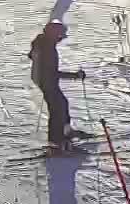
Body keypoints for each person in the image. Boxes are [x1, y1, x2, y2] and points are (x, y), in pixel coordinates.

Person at [27, 20, 87, 150]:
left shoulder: (43, 43)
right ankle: (56, 141)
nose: (60, 38)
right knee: (57, 109)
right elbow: (52, 73)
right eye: (59, 35)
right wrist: (75, 76)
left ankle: (66, 132)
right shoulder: (47, 48)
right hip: (46, 80)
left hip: (43, 79)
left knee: (62, 104)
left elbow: (32, 55)